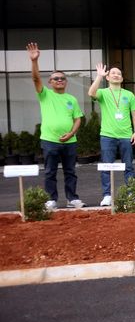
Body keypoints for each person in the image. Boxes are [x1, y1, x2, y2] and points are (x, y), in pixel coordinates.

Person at [27, 42, 85, 210]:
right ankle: (51, 199)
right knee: (50, 172)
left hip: (70, 141)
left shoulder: (71, 99)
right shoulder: (45, 95)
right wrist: (34, 61)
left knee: (70, 172)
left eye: (62, 78)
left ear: (66, 82)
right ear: (50, 82)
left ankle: (72, 198)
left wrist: (71, 133)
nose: (59, 80)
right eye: (56, 79)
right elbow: (35, 78)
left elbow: (78, 119)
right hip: (50, 140)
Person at [88, 62, 135, 207]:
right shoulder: (103, 93)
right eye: (113, 73)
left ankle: (131, 193)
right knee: (107, 166)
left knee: (128, 166)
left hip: (126, 135)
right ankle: (107, 195)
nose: (116, 75)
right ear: (108, 77)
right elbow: (91, 93)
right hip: (107, 135)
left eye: (119, 74)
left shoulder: (129, 95)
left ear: (122, 78)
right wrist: (99, 76)